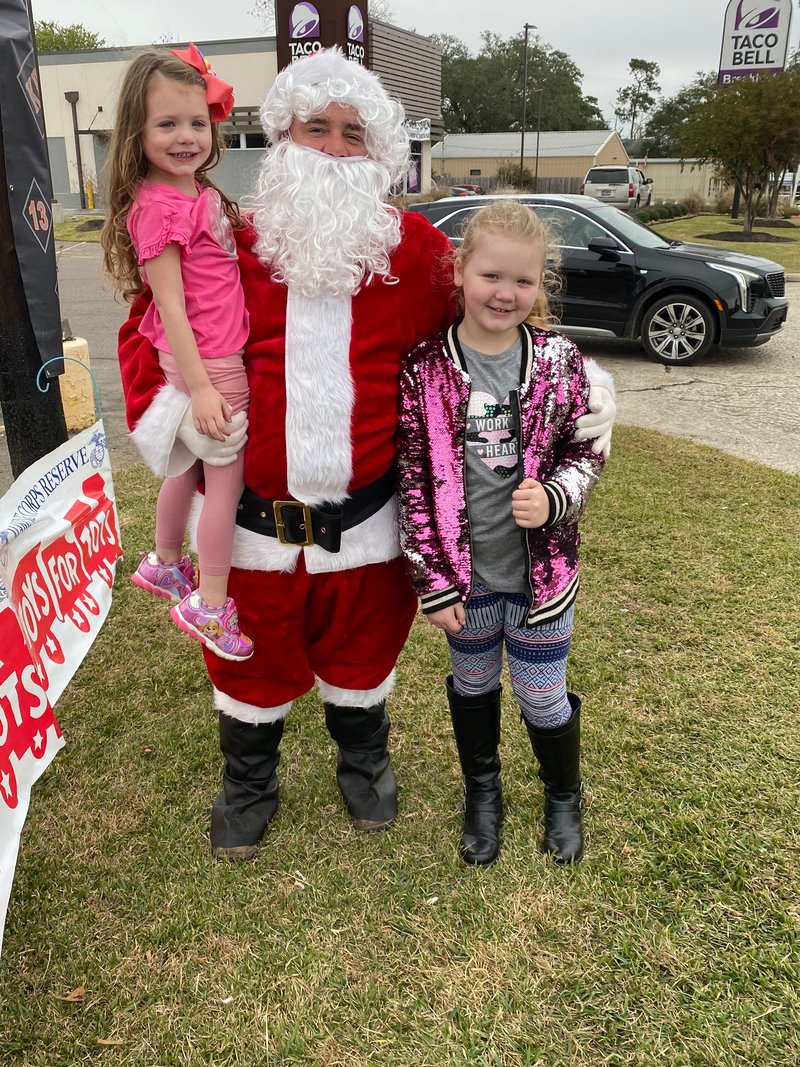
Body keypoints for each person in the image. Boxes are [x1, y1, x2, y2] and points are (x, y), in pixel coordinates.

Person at [117, 48, 617, 861]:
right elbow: (145, 342)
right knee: (251, 668)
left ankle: (364, 760)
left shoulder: (416, 252)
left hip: (371, 520)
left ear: (380, 150)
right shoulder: (225, 245)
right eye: (317, 128)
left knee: (362, 653)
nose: (335, 148)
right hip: (248, 522)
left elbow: (498, 313)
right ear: (281, 138)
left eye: (354, 133)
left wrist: (586, 389)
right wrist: (183, 418)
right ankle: (248, 781)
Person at [397, 200, 611, 867]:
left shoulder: (559, 361)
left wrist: (555, 498)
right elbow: (412, 482)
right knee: (474, 684)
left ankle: (563, 792)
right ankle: (482, 793)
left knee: (543, 693)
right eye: (492, 275)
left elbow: (587, 453)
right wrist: (431, 582)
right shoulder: (424, 368)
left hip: (542, 579)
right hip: (467, 582)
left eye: (523, 281)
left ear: (539, 286)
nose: (506, 293)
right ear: (460, 271)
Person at [102, 45, 253, 662]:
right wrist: (203, 388)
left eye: (197, 122)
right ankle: (211, 605)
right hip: (212, 363)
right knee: (226, 481)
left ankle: (166, 561)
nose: (187, 137)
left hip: (204, 362)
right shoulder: (160, 208)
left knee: (186, 463)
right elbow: (168, 305)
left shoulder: (187, 190)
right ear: (137, 133)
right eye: (167, 125)